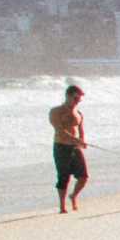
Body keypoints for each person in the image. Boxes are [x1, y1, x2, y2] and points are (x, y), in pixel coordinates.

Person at [48, 84, 88, 213]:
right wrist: (76, 140)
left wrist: (82, 141)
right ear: (68, 96)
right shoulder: (55, 111)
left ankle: (73, 196)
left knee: (83, 177)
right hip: (61, 146)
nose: (77, 102)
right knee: (63, 176)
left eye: (79, 100)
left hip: (75, 148)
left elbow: (81, 131)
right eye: (75, 99)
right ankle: (62, 206)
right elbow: (60, 130)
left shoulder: (79, 113)